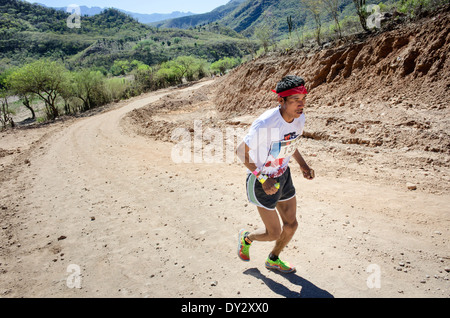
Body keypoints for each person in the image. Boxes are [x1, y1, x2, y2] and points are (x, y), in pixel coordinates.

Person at [236, 75, 315, 273]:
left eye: (303, 98)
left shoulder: (299, 118)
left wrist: (303, 165)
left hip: (283, 175)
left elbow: (291, 143)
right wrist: (263, 178)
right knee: (273, 232)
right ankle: (247, 237)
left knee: (291, 225)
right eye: (295, 100)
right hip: (260, 180)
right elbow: (240, 151)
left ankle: (273, 258)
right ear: (280, 101)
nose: (301, 104)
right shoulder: (265, 124)